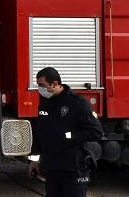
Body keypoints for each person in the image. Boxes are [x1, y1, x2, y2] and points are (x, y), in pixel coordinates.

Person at [28, 67, 103, 197]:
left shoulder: (77, 103)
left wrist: (69, 136)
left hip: (73, 168)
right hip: (51, 168)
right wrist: (34, 161)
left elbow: (96, 132)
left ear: (55, 84)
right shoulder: (45, 102)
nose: (39, 89)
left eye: (42, 85)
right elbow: (40, 132)